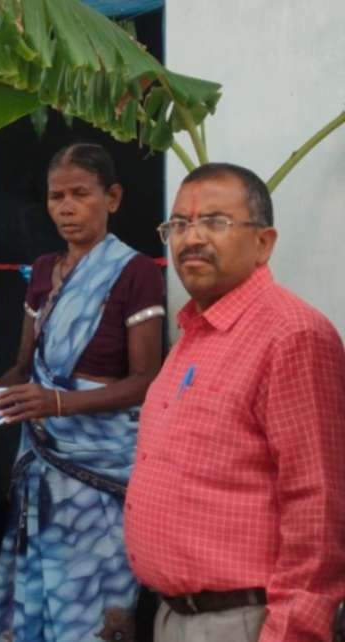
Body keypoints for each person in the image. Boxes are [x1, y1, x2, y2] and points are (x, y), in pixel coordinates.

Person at [0, 143, 165, 642]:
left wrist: (60, 403)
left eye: (80, 194)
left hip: (102, 475)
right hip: (43, 475)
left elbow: (145, 381)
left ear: (112, 198)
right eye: (56, 197)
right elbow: (24, 369)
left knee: (94, 613)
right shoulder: (45, 270)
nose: (67, 208)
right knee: (39, 602)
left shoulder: (135, 272)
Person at [124, 163, 345, 642]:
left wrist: (293, 632)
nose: (192, 238)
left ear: (263, 243)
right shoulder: (193, 336)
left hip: (245, 622)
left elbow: (318, 507)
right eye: (179, 224)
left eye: (216, 222)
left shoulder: (292, 336)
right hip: (173, 618)